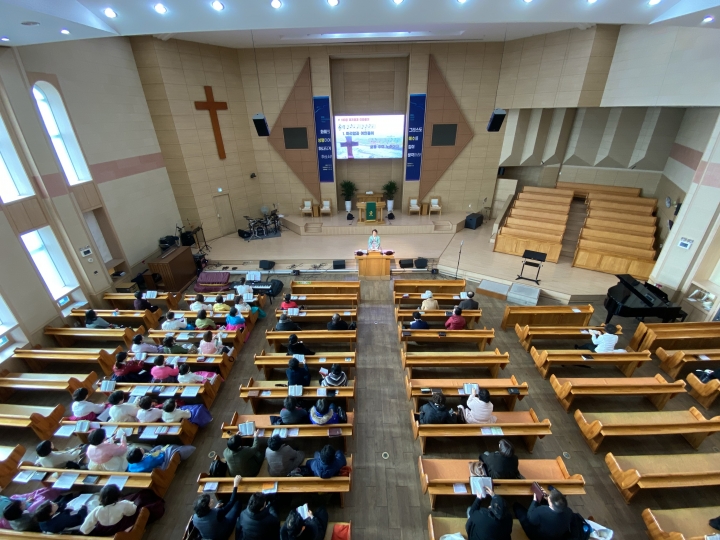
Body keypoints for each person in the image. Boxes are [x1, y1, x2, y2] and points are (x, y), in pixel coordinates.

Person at [192, 475, 243, 540]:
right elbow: (231, 502)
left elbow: (207, 519)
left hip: (209, 536)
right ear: (208, 507)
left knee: (221, 501)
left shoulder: (194, 517)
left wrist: (215, 508)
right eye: (210, 501)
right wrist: (235, 485)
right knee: (237, 503)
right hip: (223, 534)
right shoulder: (217, 513)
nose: (212, 500)